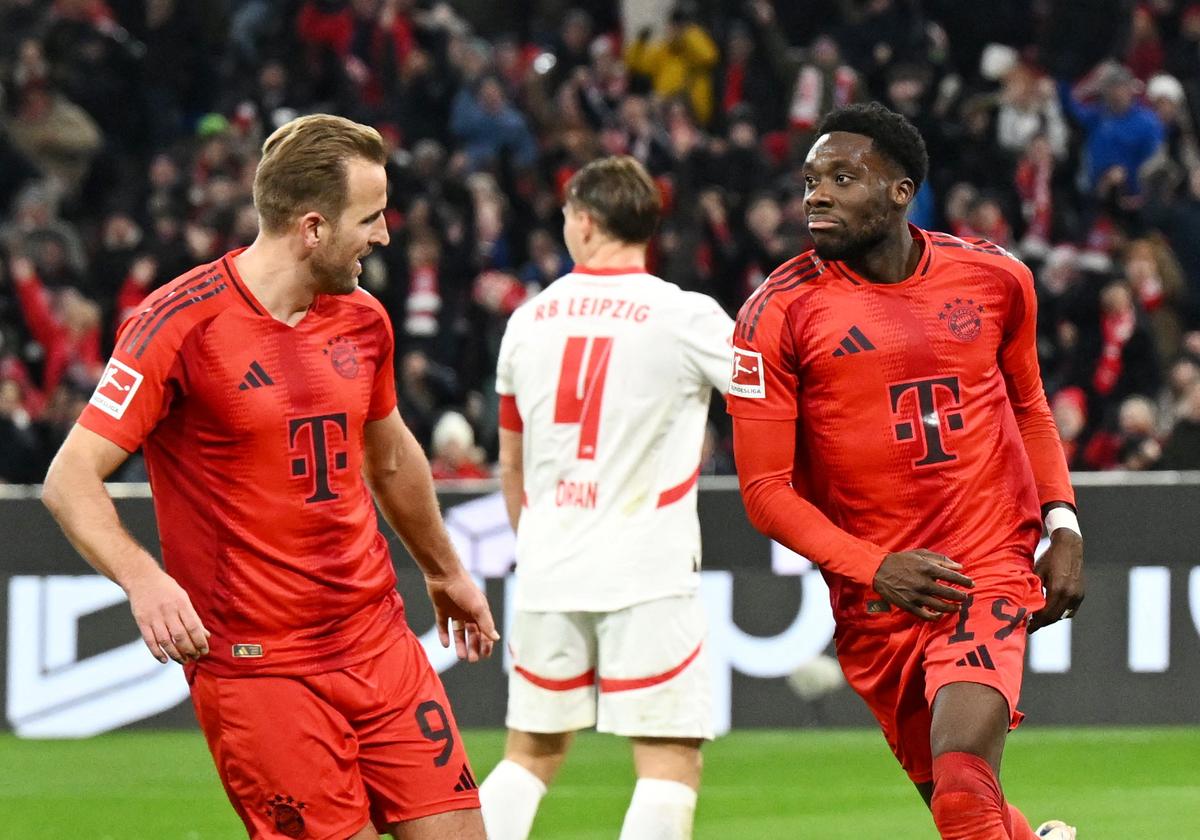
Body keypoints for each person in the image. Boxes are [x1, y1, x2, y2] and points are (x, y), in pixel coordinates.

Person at [41, 114, 498, 840]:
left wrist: (444, 571)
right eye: (371, 218)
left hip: (379, 641)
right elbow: (69, 479)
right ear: (312, 228)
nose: (384, 235)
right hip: (261, 670)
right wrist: (144, 578)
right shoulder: (177, 324)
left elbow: (388, 453)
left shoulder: (363, 319)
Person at [727, 103, 1085, 840]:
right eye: (810, 181)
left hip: (984, 567)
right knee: (968, 811)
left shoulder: (995, 277)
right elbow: (764, 493)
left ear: (900, 191)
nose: (815, 196)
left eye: (841, 177)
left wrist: (1064, 523)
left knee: (961, 784)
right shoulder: (776, 315)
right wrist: (875, 566)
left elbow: (1030, 405)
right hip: (878, 601)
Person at [479, 155, 734, 840]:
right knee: (667, 762)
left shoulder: (527, 321)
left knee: (529, 754)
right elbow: (769, 396)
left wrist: (534, 545)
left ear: (585, 223)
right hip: (646, 568)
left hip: (548, 566)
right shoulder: (685, 317)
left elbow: (511, 461)